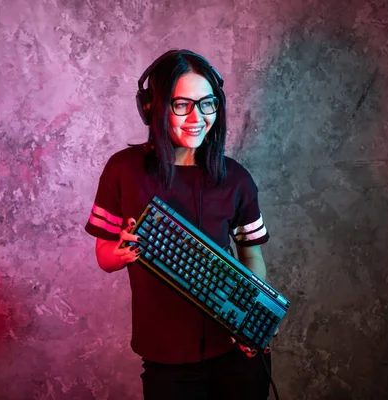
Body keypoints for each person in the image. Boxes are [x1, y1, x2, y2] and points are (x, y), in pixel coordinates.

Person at [84, 49, 273, 400]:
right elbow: (103, 256)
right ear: (152, 108)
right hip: (166, 358)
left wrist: (253, 317)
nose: (197, 117)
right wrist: (122, 251)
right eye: (181, 105)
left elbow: (252, 256)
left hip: (236, 353)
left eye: (207, 104)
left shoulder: (236, 179)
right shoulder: (123, 171)